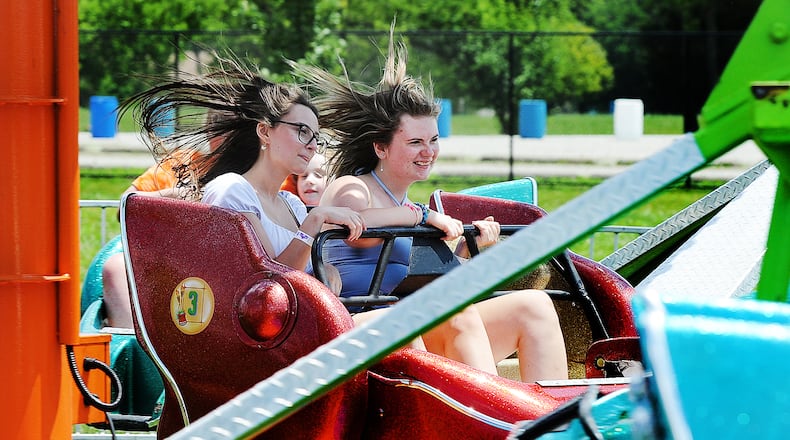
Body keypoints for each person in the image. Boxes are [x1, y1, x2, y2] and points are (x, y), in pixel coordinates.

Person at [293, 36, 569, 381]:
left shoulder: (406, 204)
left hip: (415, 324)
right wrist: (422, 216)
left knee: (534, 305)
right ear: (380, 147)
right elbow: (358, 228)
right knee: (454, 313)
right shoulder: (353, 186)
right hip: (360, 329)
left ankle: (552, 424)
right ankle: (486, 423)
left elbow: (425, 282)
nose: (428, 151)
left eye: (433, 140)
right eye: (415, 142)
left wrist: (468, 250)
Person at [100, 109, 229, 328]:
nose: (220, 133)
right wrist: (174, 196)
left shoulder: (262, 171)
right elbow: (126, 204)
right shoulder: (182, 163)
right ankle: (136, 353)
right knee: (116, 267)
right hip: (172, 268)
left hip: (222, 275)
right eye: (217, 123)